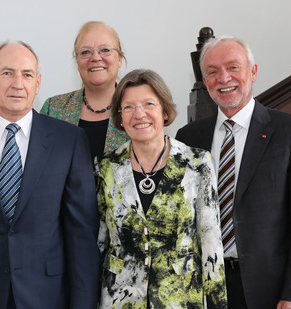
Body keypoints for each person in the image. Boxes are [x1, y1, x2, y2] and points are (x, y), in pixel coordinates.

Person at [0, 41, 100, 309]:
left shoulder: (68, 140)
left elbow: (81, 234)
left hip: (48, 295)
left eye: (27, 74)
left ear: (38, 83)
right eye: (7, 73)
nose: (17, 83)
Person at [176, 36, 291, 309]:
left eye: (233, 67)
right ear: (205, 82)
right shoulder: (189, 137)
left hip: (272, 292)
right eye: (212, 72)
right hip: (205, 289)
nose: (223, 77)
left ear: (252, 72)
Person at [96, 69, 227, 308]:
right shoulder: (105, 166)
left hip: (180, 299)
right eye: (128, 107)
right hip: (120, 300)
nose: (139, 114)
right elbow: (99, 242)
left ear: (164, 111)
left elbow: (211, 244)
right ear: (120, 116)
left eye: (148, 104)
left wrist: (218, 303)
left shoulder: (197, 163)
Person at [41, 21, 129, 160]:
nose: (95, 57)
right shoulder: (53, 109)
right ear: (77, 62)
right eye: (86, 52)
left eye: (105, 50)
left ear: (119, 59)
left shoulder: (138, 111)